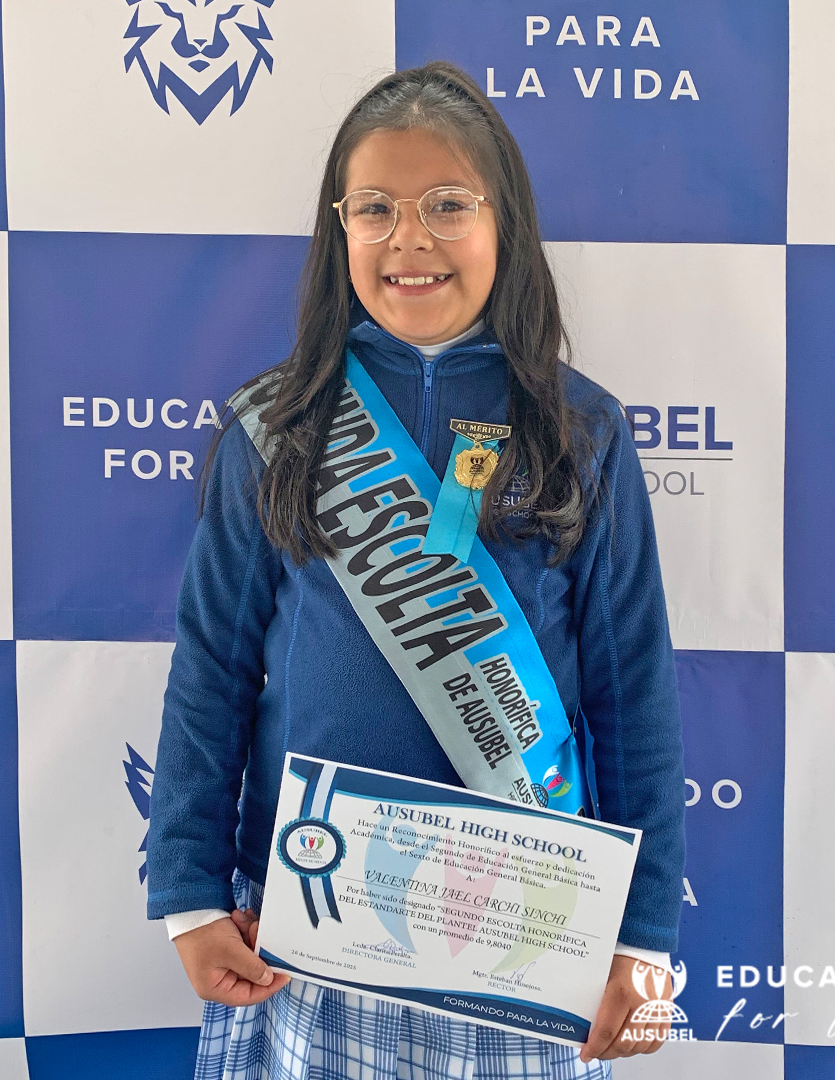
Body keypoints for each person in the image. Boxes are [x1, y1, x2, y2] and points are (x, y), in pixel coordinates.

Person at [147, 61, 685, 1080]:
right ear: (337, 228)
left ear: (504, 224)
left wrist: (643, 941)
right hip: (308, 941)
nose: (411, 240)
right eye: (376, 209)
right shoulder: (276, 428)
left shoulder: (582, 432)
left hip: (527, 956)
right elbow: (212, 669)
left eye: (448, 205)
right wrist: (189, 895)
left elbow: (633, 697)